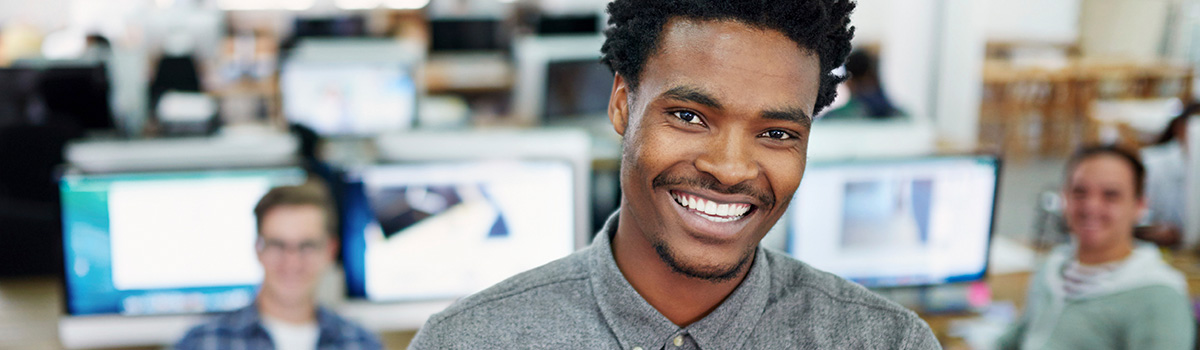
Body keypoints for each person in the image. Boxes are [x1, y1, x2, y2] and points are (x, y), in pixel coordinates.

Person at [410, 1, 939, 349]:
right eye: (689, 117)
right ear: (622, 104)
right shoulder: (469, 341)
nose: (731, 169)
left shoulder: (883, 341)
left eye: (777, 133)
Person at [996, 146, 1194, 350]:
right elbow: (1016, 339)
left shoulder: (1158, 296)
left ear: (1139, 206)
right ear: (1064, 198)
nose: (1091, 206)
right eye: (1079, 192)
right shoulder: (1054, 267)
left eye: (1110, 196)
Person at [176, 185, 381, 350]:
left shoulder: (362, 344)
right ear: (258, 248)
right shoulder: (201, 343)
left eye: (306, 246)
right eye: (278, 245)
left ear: (330, 250)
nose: (292, 262)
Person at [1139, 108, 1192, 248]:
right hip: (1156, 252)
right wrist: (1158, 230)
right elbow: (1134, 222)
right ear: (1180, 129)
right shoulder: (1150, 162)